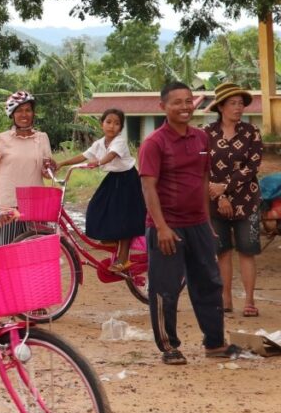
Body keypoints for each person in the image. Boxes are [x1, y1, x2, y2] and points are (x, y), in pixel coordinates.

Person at [137, 81, 240, 365]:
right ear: (163, 107)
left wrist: (207, 222)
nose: (184, 107)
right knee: (165, 289)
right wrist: (161, 227)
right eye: (177, 102)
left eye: (188, 101)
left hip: (198, 225)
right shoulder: (154, 143)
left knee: (209, 282)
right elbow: (148, 187)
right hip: (166, 226)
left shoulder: (201, 138)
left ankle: (215, 343)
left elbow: (203, 180)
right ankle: (169, 346)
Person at [56, 107, 147, 272]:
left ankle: (123, 260)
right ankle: (110, 239)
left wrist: (98, 163)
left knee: (125, 220)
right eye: (109, 122)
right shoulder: (99, 144)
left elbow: (111, 155)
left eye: (117, 123)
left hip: (128, 180)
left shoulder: (119, 141)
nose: (112, 126)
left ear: (120, 128)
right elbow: (83, 156)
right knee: (95, 208)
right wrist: (62, 163)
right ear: (102, 124)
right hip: (113, 179)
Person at [205, 82, 264, 317]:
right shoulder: (206, 133)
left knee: (247, 250)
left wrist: (224, 189)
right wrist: (217, 194)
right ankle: (225, 298)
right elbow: (202, 166)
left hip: (246, 200)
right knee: (223, 252)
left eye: (241, 104)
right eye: (233, 104)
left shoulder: (251, 132)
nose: (238, 108)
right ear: (221, 107)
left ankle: (249, 300)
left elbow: (252, 166)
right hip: (214, 200)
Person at [0, 90, 54, 243]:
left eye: (28, 110)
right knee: (6, 253)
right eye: (19, 111)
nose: (24, 114)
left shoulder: (42, 138)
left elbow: (47, 173)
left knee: (36, 254)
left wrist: (50, 167)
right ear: (12, 114)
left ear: (33, 113)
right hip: (8, 207)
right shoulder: (1, 139)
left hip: (36, 205)